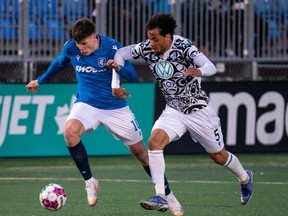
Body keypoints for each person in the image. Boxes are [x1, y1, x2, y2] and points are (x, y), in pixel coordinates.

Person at [25, 18, 182, 212]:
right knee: (70, 132)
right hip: (87, 104)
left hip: (115, 107)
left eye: (84, 44)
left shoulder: (112, 48)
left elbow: (132, 76)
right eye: (77, 44)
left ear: (94, 37)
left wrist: (117, 68)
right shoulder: (72, 47)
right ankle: (90, 182)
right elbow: (59, 63)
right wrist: (40, 81)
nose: (81, 49)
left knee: (142, 154)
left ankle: (168, 196)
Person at [108, 13, 253, 216]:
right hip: (174, 110)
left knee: (219, 157)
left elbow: (209, 65)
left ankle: (245, 178)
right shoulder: (147, 48)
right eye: (149, 38)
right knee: (154, 142)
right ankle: (160, 196)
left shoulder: (183, 47)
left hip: (199, 111)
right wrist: (116, 79)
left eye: (156, 39)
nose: (151, 43)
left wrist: (199, 72)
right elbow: (122, 53)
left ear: (168, 36)